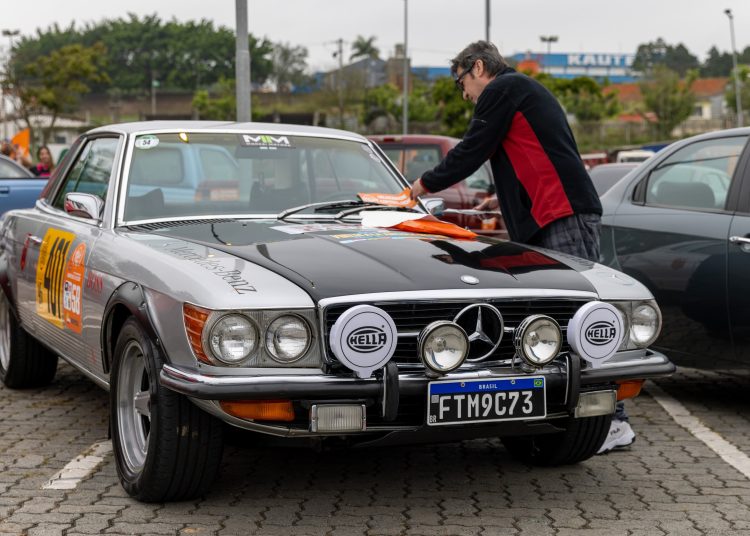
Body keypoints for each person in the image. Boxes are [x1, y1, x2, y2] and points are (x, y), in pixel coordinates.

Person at [409, 40, 634, 454]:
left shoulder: (503, 89)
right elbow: (531, 154)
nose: (465, 95)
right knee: (557, 320)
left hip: (562, 214)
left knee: (581, 317)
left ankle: (612, 421)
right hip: (554, 214)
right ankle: (569, 415)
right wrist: (498, 199)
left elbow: (471, 150)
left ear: (478, 68)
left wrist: (420, 186)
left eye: (461, 83)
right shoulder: (520, 93)